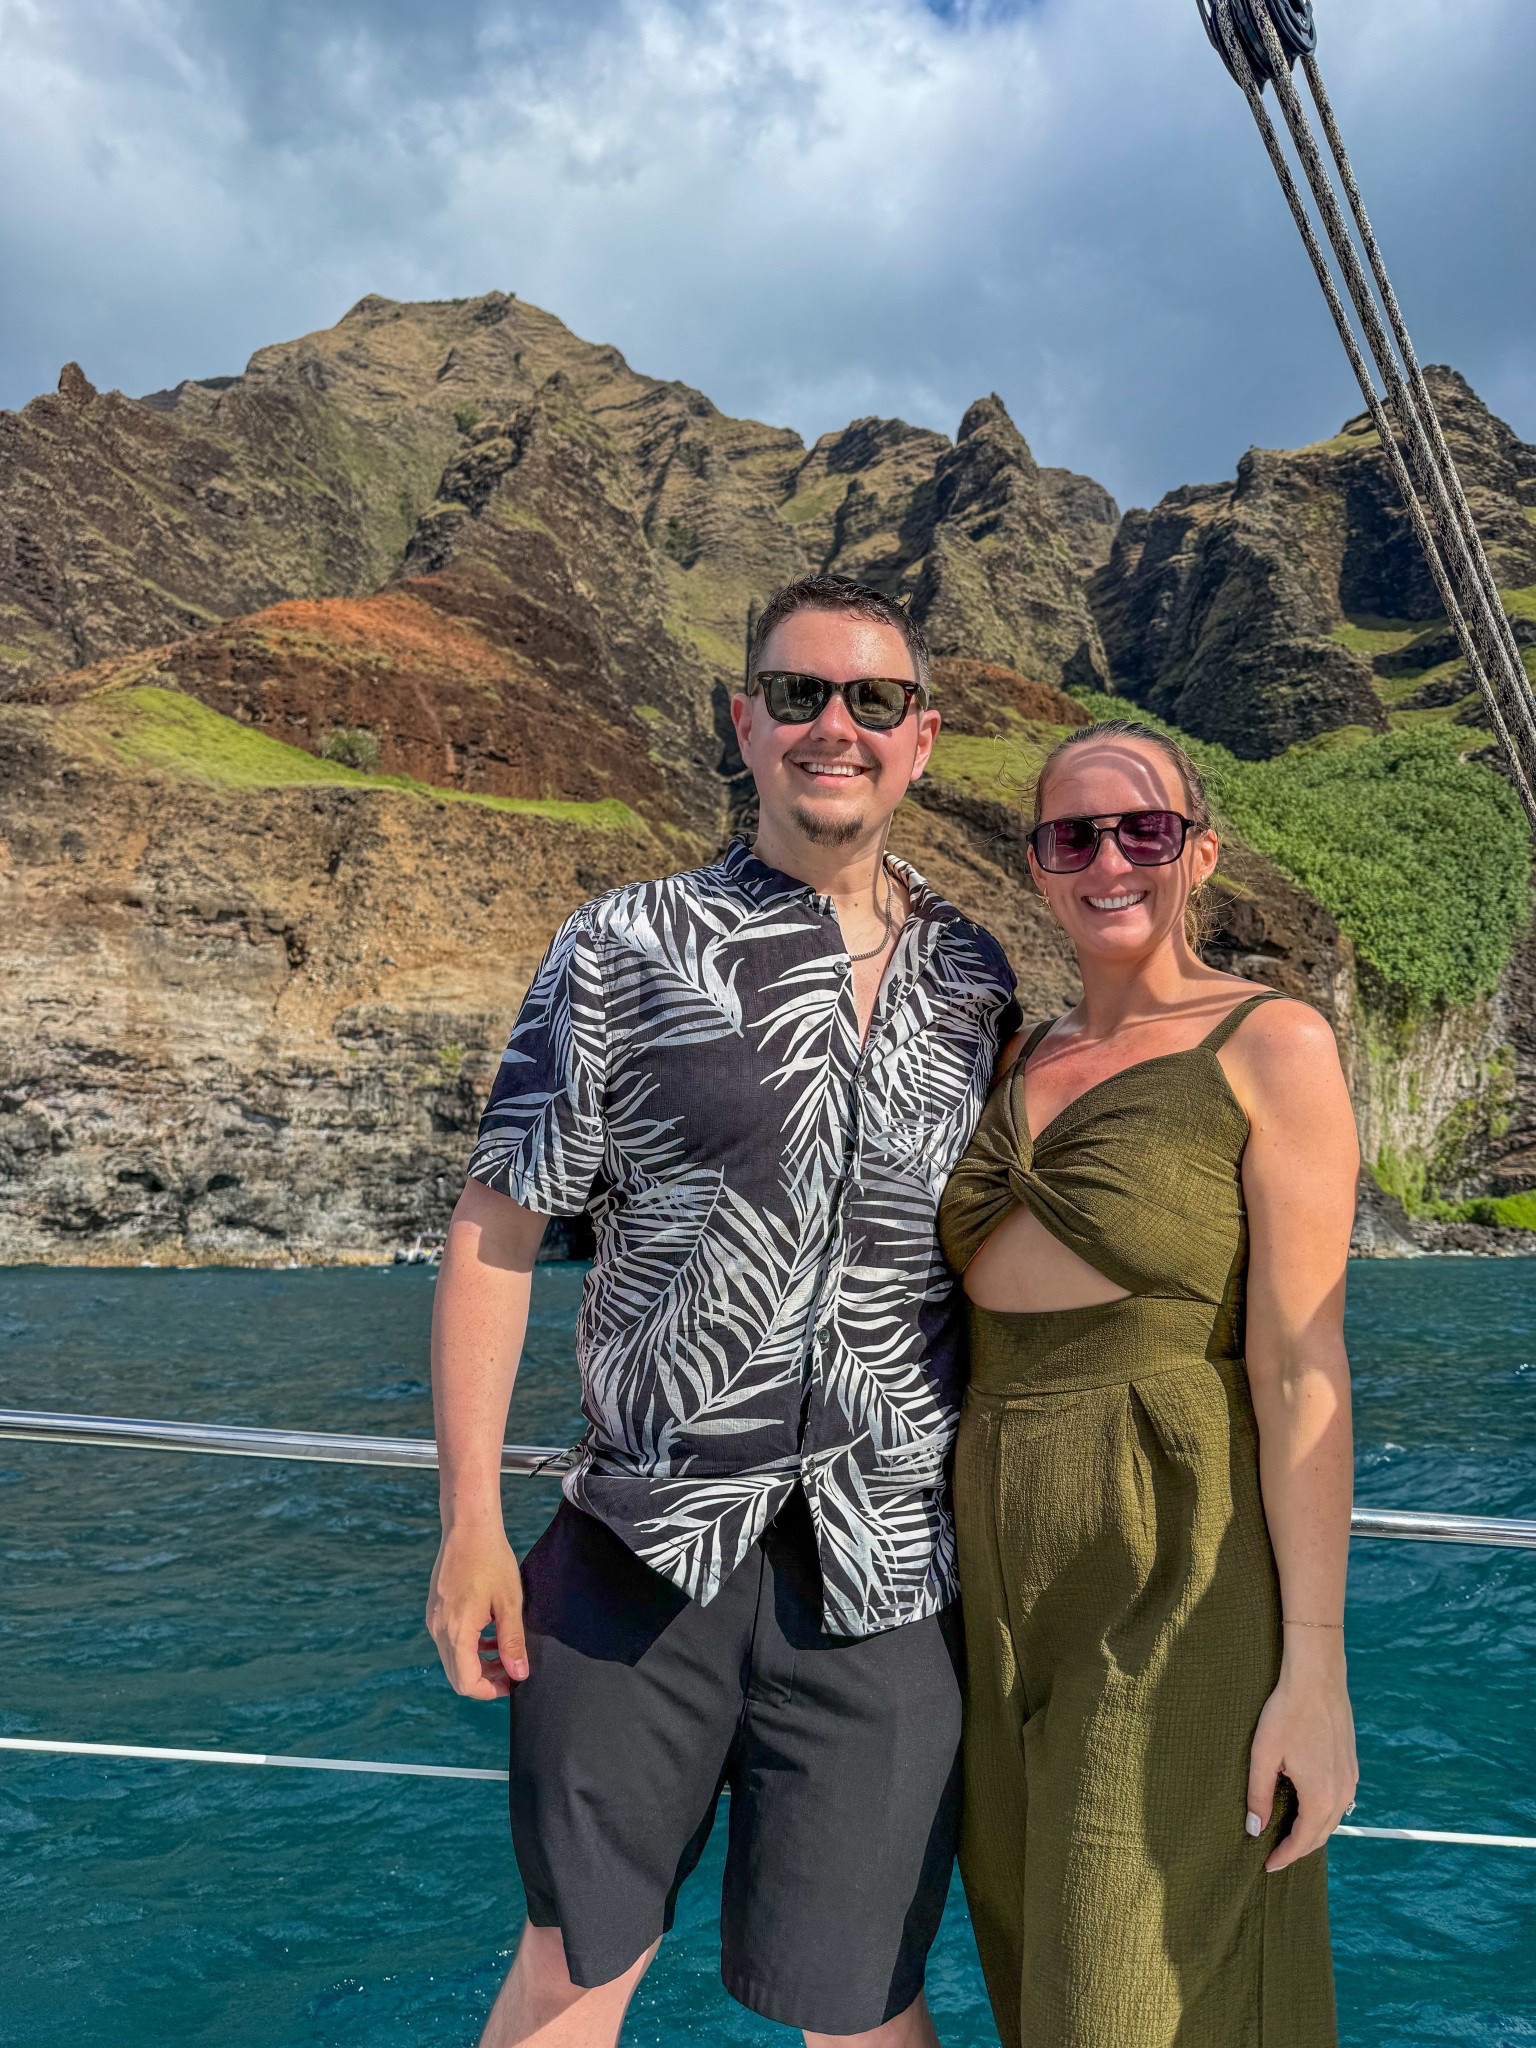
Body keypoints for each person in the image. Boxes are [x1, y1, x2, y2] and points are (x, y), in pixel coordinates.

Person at [426, 574, 1021, 2048]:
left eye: (873, 701)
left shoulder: (975, 981)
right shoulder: (624, 948)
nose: (838, 726)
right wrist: (467, 1525)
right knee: (576, 1970)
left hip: (889, 1573)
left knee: (868, 2008)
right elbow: (499, 1228)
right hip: (640, 1548)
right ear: (744, 723)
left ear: (922, 738)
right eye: (801, 695)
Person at [938, 718, 1358, 2048]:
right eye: (1075, 836)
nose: (1110, 859)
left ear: (1200, 853)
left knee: (1134, 1991)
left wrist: (1317, 1675)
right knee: (1032, 1968)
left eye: (1145, 831)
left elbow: (1299, 1367)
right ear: (1040, 866)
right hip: (990, 1567)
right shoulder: (1012, 1054)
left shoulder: (1270, 1043)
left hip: (1172, 1560)